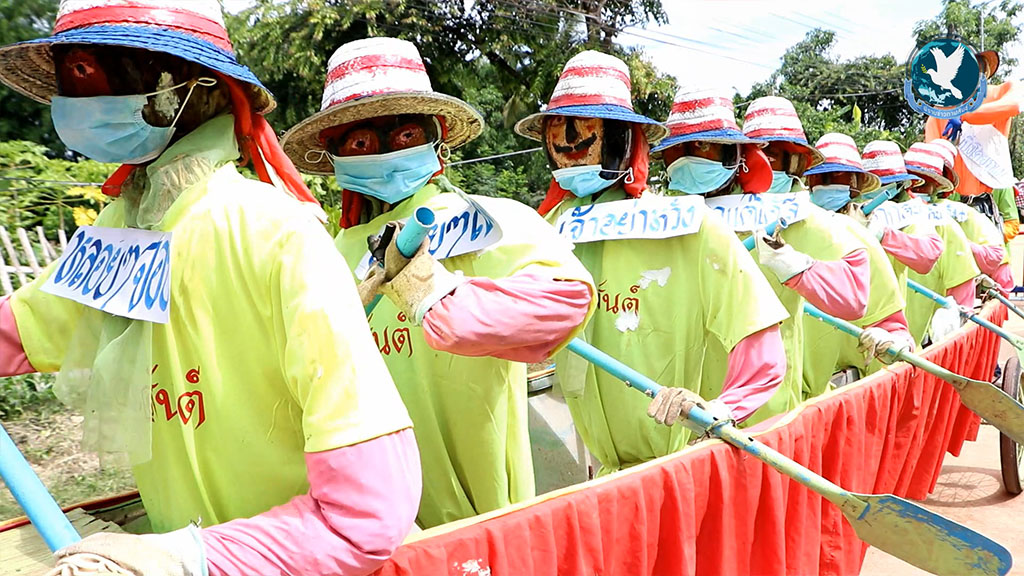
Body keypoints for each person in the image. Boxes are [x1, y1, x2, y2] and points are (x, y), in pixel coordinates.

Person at [0, 3, 422, 575]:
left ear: (185, 85)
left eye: (91, 71)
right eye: (71, 76)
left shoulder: (275, 232)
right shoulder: (121, 229)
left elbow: (368, 512)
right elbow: (25, 330)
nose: (78, 101)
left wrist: (186, 557)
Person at [280, 37, 595, 528]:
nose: (385, 152)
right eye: (361, 143)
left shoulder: (484, 221)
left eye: (405, 134)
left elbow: (568, 300)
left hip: (482, 519)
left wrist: (440, 298)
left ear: (435, 136)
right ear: (334, 154)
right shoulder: (327, 252)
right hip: (370, 529)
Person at [514, 51, 788, 474]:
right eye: (557, 127)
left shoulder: (688, 227)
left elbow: (761, 344)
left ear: (626, 139)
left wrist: (721, 407)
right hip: (603, 471)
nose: (568, 140)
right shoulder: (542, 234)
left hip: (683, 463)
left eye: (584, 126)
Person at [658, 90, 868, 425]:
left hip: (770, 405)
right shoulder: (674, 219)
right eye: (681, 150)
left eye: (776, 153)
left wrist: (793, 265)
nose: (689, 159)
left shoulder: (809, 220)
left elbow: (854, 297)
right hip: (691, 408)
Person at [798, 133, 914, 387]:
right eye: (822, 177)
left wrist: (884, 235)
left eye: (837, 177)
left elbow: (894, 326)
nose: (827, 184)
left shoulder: (863, 233)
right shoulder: (783, 227)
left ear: (855, 184)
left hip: (857, 375)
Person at [855, 140, 944, 347]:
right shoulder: (849, 210)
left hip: (887, 327)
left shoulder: (910, 218)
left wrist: (882, 235)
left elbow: (929, 254)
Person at [902, 142, 981, 344]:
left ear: (936, 187)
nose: (915, 188)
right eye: (912, 181)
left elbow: (962, 303)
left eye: (923, 183)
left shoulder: (946, 227)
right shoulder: (870, 218)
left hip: (917, 342)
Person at [929, 138, 1014, 291]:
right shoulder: (954, 189)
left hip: (993, 262)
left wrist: (988, 238)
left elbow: (1012, 223)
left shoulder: (1001, 184)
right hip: (955, 262)